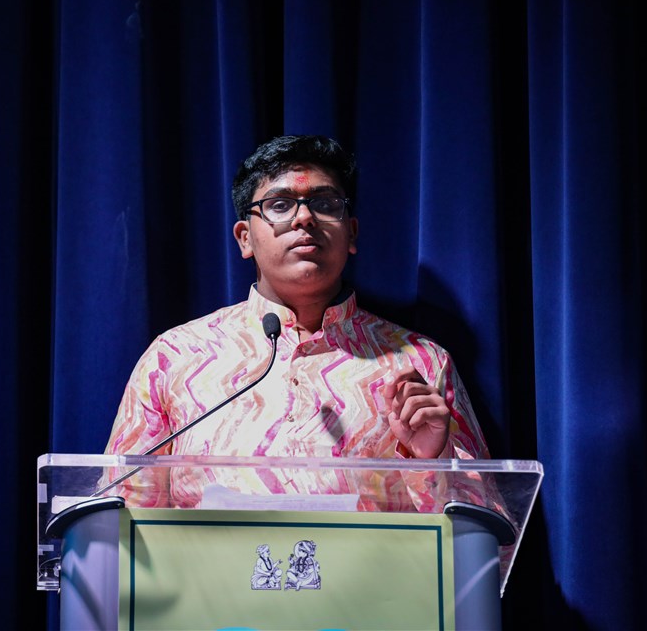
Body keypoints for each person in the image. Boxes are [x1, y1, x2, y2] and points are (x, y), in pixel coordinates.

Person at [101, 134, 490, 509]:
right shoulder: (176, 357)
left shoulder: (419, 363)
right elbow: (119, 516)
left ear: (351, 233)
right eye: (280, 204)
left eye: (325, 203)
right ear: (245, 238)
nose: (304, 217)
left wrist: (431, 463)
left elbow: (486, 533)